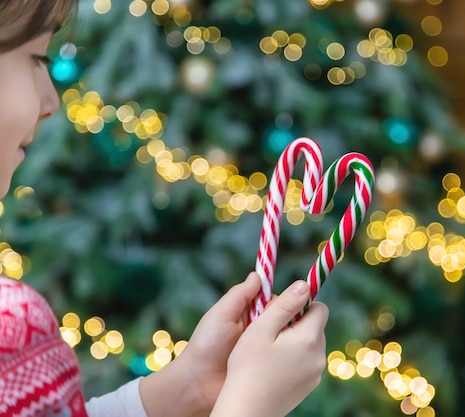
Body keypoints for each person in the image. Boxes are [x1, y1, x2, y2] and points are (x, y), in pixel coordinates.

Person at [0, 1, 329, 417]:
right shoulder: (10, 324)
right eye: (36, 57)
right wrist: (249, 407)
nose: (51, 100)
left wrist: (188, 385)